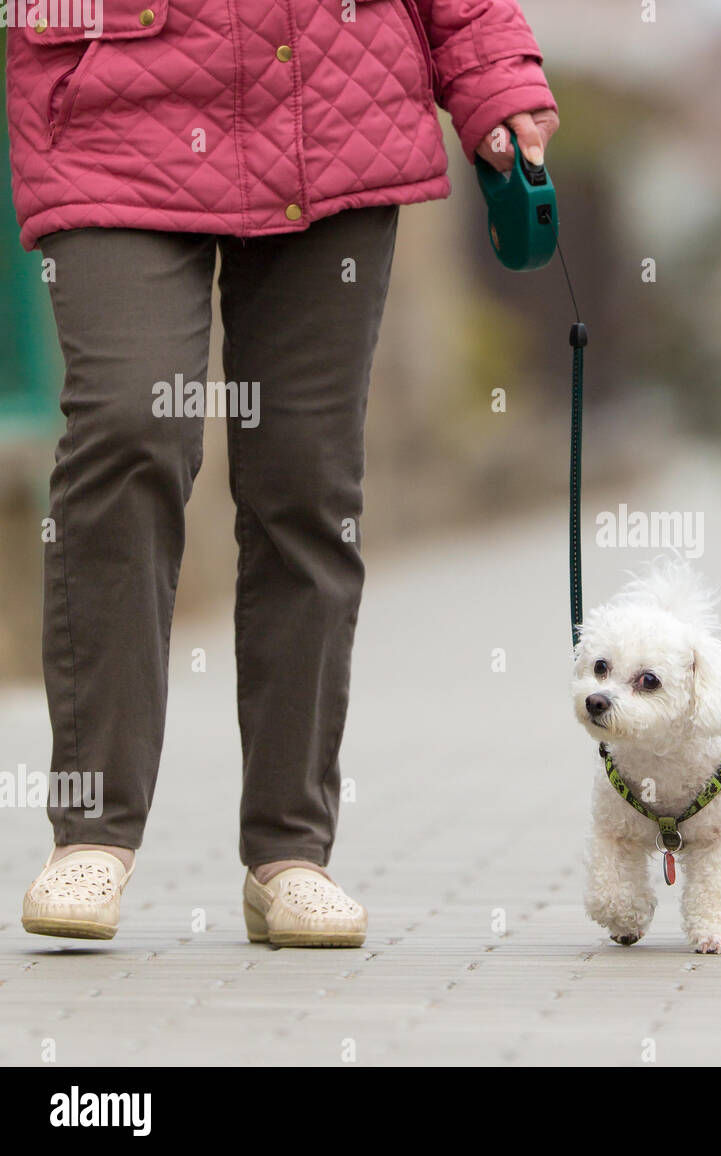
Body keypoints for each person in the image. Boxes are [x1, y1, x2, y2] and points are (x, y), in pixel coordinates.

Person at [8, 0, 558, 946]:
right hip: (113, 96)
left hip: (333, 98)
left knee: (306, 483)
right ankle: (91, 830)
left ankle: (289, 853)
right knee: (130, 426)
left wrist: (496, 77)